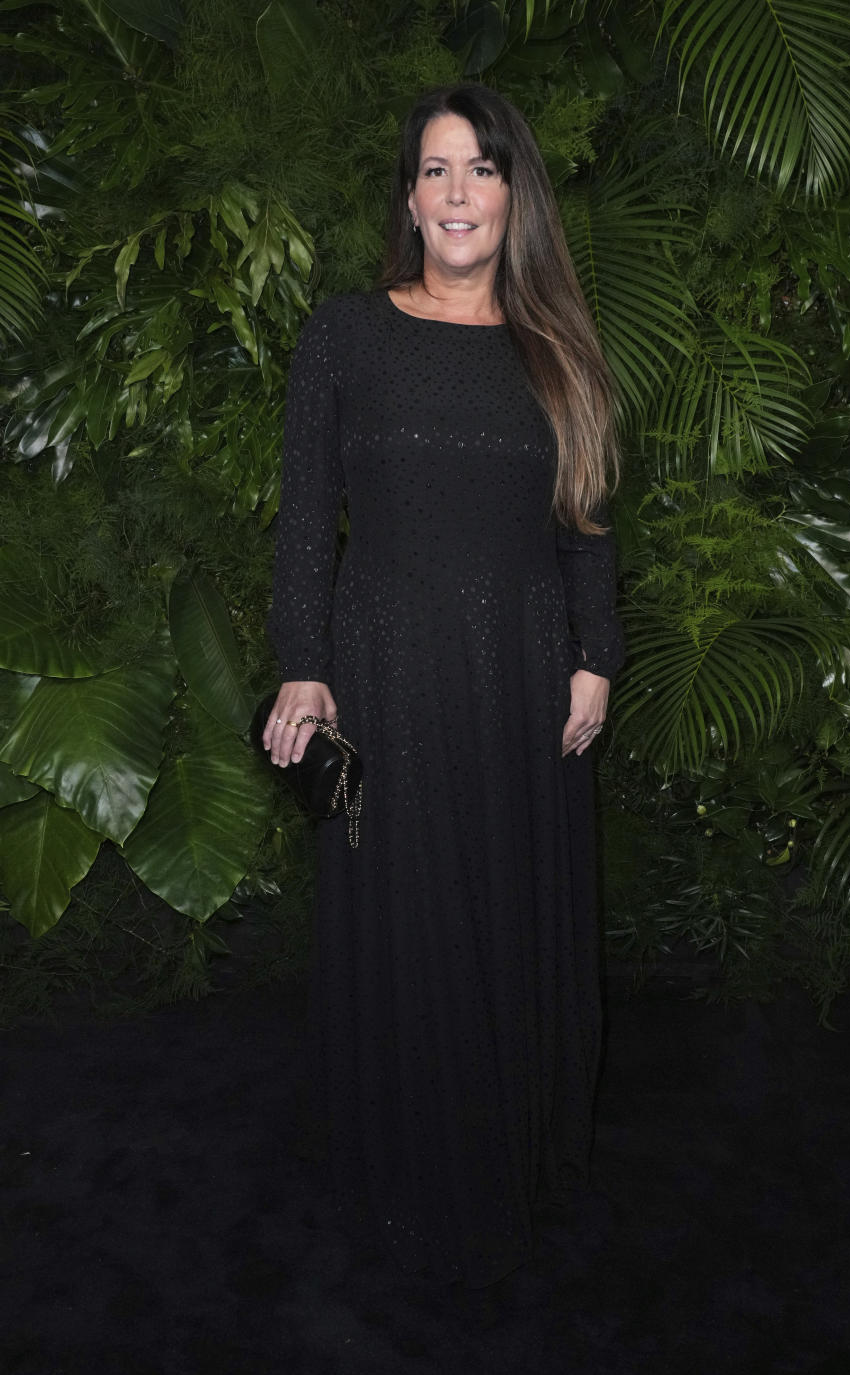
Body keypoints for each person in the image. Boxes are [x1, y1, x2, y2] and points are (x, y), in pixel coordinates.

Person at [263, 83, 623, 1286]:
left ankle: (513, 1151)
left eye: (479, 169)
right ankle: (409, 1167)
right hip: (382, 667)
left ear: (514, 196)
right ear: (411, 203)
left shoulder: (559, 348)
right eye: (434, 171)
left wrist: (596, 657)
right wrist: (304, 671)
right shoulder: (346, 336)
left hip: (524, 671)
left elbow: (586, 524)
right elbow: (307, 514)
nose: (456, 191)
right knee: (402, 909)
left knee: (510, 899)